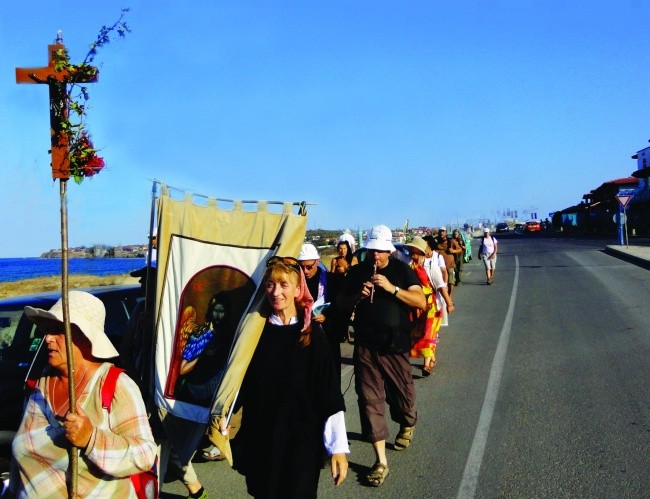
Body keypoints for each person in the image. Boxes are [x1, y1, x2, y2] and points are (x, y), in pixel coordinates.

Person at [10, 291, 156, 497]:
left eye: (59, 330)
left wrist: (92, 439)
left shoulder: (115, 385)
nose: (48, 338)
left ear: (86, 337)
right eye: (48, 330)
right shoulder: (42, 383)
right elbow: (21, 459)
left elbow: (145, 455)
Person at [234, 255, 349, 497]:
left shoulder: (312, 336)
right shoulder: (254, 334)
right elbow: (238, 384)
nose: (276, 292)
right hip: (262, 437)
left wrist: (337, 448)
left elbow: (328, 394)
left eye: (284, 285)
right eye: (270, 285)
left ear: (298, 289)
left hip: (301, 441)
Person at [338, 224, 426, 487]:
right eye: (371, 251)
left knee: (404, 397)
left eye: (379, 251)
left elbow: (420, 301)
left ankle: (407, 421)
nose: (375, 256)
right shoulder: (357, 272)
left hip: (395, 345)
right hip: (366, 346)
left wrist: (392, 289)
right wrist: (356, 296)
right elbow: (340, 303)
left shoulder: (401, 270)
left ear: (388, 250)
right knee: (369, 399)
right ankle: (380, 461)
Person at [405, 236, 444, 376]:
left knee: (428, 333)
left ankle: (426, 365)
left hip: (431, 306)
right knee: (417, 334)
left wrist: (448, 302)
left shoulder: (431, 266)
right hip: (415, 305)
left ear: (420, 252)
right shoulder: (408, 266)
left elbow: (440, 285)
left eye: (414, 252)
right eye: (410, 252)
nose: (412, 255)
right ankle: (431, 358)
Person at [435, 227, 462, 298]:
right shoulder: (436, 241)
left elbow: (460, 249)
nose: (441, 233)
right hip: (439, 266)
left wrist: (453, 251)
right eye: (440, 231)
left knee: (451, 282)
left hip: (450, 264)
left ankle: (449, 297)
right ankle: (444, 297)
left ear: (446, 233)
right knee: (442, 282)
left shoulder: (451, 241)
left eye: (443, 231)